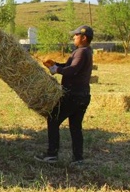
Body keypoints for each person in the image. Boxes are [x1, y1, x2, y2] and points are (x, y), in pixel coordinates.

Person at [35, 25, 94, 166]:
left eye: (76, 35)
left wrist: (57, 70)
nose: (73, 37)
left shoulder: (81, 52)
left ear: (83, 37)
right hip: (83, 95)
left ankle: (52, 154)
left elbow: (72, 70)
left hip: (73, 95)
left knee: (53, 118)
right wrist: (55, 64)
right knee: (75, 127)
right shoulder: (87, 51)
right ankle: (78, 158)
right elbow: (70, 66)